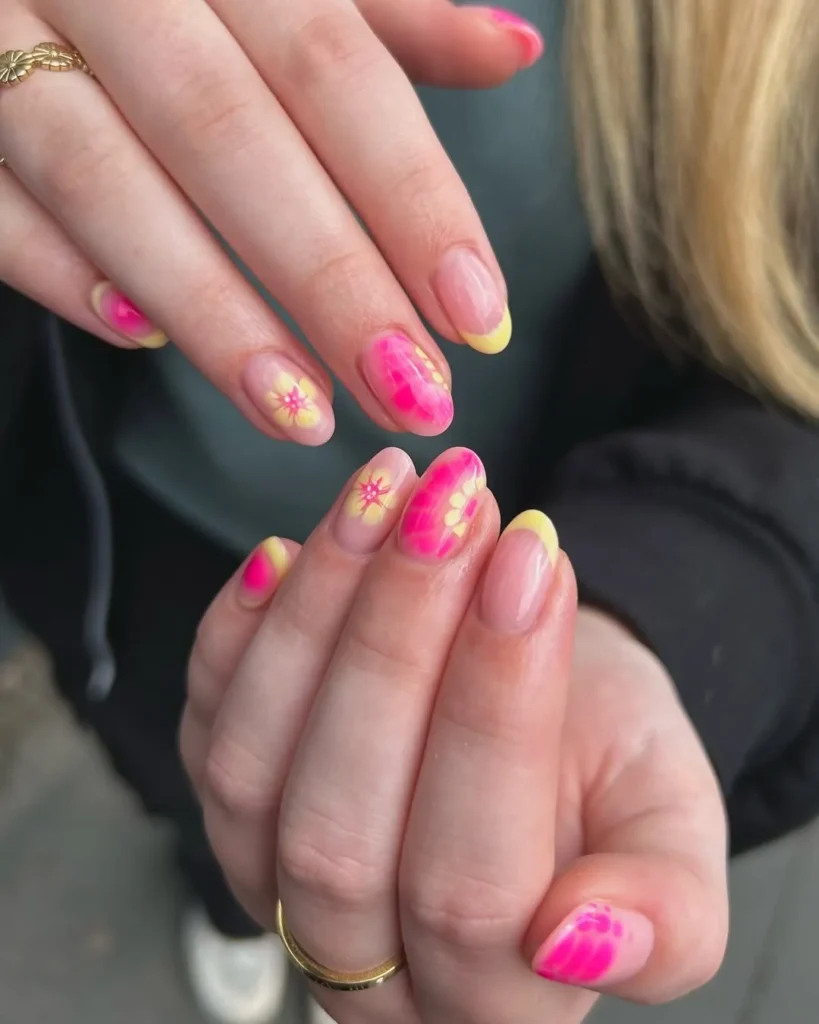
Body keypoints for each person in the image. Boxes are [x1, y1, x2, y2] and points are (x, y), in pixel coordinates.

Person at [2, 0, 819, 1021]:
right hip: (142, 513)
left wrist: (668, 600)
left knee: (320, 811)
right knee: (185, 774)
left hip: (536, 558)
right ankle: (229, 906)